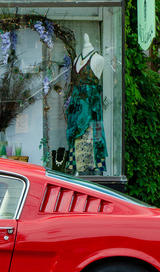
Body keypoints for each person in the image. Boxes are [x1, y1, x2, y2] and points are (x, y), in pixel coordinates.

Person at [65, 34, 107, 175]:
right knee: (77, 136)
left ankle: (96, 168)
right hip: (77, 108)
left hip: (91, 106)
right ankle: (78, 167)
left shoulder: (98, 59)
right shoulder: (77, 59)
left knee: (94, 134)